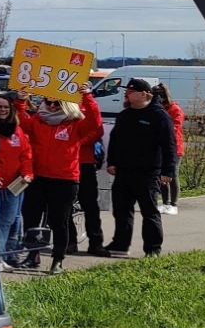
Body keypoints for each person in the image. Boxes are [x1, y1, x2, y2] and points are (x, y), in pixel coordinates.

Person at [106, 77, 177, 257]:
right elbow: (114, 140)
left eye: (131, 91)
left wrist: (168, 171)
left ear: (145, 94)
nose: (126, 94)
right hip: (124, 171)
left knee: (149, 212)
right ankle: (120, 244)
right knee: (121, 210)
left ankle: (152, 248)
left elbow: (169, 146)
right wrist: (112, 161)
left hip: (148, 173)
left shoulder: (159, 116)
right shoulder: (125, 114)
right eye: (126, 92)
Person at [18, 95, 83, 273]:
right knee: (31, 219)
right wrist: (20, 102)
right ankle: (32, 255)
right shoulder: (38, 119)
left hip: (65, 179)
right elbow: (20, 126)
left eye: (58, 103)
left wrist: (88, 99)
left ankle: (58, 260)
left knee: (59, 221)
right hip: (37, 177)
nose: (53, 106)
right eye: (49, 102)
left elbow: (95, 126)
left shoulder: (75, 122)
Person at [0, 92, 32, 263]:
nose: (2, 110)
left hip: (15, 186)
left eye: (5, 107)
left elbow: (25, 155)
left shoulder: (17, 130)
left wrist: (27, 174)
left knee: (6, 222)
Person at [73, 83, 106, 255]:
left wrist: (79, 144)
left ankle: (95, 242)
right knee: (64, 206)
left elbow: (98, 129)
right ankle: (69, 241)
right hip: (62, 163)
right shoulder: (55, 103)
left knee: (90, 205)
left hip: (84, 162)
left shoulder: (87, 104)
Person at [155, 83, 185, 212]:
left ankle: (173, 203)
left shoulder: (175, 109)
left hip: (174, 147)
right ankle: (165, 202)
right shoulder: (159, 108)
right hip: (160, 147)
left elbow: (175, 128)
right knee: (161, 175)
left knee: (173, 175)